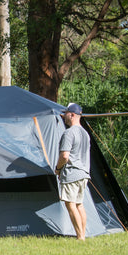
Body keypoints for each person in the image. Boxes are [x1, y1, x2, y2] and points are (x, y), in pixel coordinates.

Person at [54, 103, 91, 240]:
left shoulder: (69, 133)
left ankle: (80, 237)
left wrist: (58, 169)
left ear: (72, 115)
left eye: (66, 114)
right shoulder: (85, 134)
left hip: (72, 173)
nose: (64, 116)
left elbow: (65, 156)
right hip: (84, 174)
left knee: (70, 205)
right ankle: (83, 235)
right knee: (79, 204)